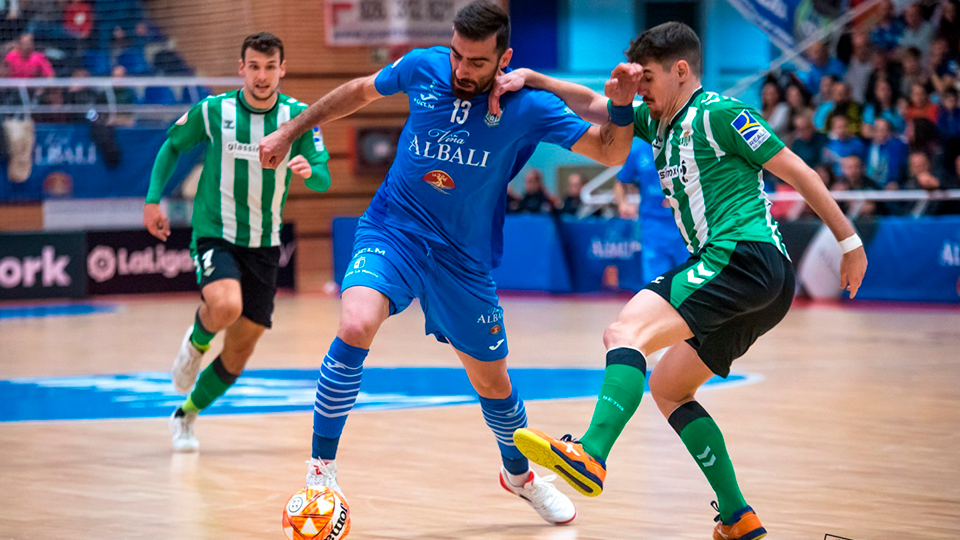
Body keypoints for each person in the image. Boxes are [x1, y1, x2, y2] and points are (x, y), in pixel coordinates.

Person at [257, 1, 637, 525]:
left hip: (463, 258)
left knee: (492, 384)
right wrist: (289, 130)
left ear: (503, 58)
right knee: (355, 322)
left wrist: (620, 107)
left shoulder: (527, 106)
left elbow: (610, 152)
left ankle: (520, 477)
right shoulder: (425, 65)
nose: (461, 69)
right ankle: (320, 472)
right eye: (458, 55)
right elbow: (358, 91)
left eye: (477, 62)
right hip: (395, 228)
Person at [490, 22, 867, 540]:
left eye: (647, 78)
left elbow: (798, 170)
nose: (639, 88)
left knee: (624, 334)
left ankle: (592, 454)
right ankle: (738, 516)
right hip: (764, 282)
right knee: (669, 388)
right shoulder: (658, 121)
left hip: (742, 256)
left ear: (681, 70)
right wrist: (534, 77)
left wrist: (849, 243)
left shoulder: (719, 113)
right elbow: (594, 105)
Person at [142, 33, 332, 453]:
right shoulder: (215, 111)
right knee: (226, 306)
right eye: (254, 66)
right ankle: (195, 345)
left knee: (240, 353)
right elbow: (173, 146)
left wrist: (307, 171)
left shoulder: (299, 119)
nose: (262, 76)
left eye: (270, 67)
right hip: (216, 232)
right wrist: (153, 199)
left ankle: (185, 414)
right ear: (241, 67)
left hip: (264, 244)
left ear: (282, 68)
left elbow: (324, 178)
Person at [614, 140, 690, 283]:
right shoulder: (640, 149)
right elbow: (621, 181)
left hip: (687, 225)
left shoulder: (686, 143)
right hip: (654, 226)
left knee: (689, 280)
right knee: (656, 283)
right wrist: (623, 203)